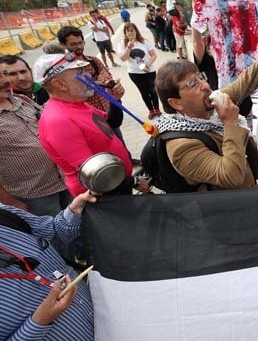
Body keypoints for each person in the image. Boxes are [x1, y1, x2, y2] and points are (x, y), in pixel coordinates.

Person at [153, 24, 258, 192]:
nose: (204, 86)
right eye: (192, 84)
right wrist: (230, 125)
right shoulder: (181, 147)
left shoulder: (206, 108)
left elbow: (243, 84)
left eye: (200, 77)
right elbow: (230, 176)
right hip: (232, 212)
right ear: (176, 103)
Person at [32, 54, 148, 196]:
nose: (88, 76)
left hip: (116, 180)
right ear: (60, 84)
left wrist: (114, 100)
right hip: (103, 191)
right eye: (80, 73)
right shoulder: (58, 121)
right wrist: (135, 182)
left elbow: (111, 124)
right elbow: (96, 173)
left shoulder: (78, 104)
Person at [0, 191, 97, 341]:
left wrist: (74, 211)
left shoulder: (3, 215)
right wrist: (39, 322)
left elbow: (53, 233)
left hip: (107, 317)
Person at [0, 69, 68, 216]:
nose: (6, 80)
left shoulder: (21, 99)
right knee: (56, 236)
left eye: (5, 73)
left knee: (83, 227)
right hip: (36, 198)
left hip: (66, 181)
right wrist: (11, 203)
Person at [57, 26, 128, 146]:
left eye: (80, 43)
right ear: (63, 45)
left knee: (118, 139)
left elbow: (106, 75)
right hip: (89, 118)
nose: (79, 47)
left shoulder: (94, 61)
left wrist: (110, 84)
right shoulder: (63, 70)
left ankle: (128, 159)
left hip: (107, 109)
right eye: (73, 44)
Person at [117, 22, 161, 119]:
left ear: (136, 31)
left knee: (153, 90)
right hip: (135, 73)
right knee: (144, 91)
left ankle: (157, 109)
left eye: (132, 30)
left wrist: (148, 65)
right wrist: (129, 47)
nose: (130, 33)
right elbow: (123, 58)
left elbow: (154, 55)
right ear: (125, 33)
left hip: (149, 71)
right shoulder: (122, 44)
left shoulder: (144, 42)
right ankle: (151, 110)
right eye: (127, 31)